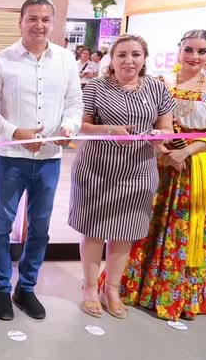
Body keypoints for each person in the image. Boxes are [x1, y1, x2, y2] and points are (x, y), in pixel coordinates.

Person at [0, 0, 82, 321]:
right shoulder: (1, 61)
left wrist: (68, 127)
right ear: (21, 21)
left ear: (53, 23)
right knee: (1, 226)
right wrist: (16, 133)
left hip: (50, 158)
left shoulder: (66, 60)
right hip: (12, 156)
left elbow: (74, 103)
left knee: (39, 227)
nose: (39, 25)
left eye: (45, 19)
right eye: (32, 18)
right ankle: (0, 289)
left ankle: (26, 287)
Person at [121, 30, 206, 321]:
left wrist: (185, 152)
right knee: (146, 223)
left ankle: (178, 296)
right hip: (158, 161)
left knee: (186, 227)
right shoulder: (159, 83)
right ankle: (138, 287)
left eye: (201, 51)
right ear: (179, 50)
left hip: (196, 168)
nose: (194, 57)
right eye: (189, 50)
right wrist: (166, 150)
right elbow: (147, 120)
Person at [70, 34, 175, 318]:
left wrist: (159, 138)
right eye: (122, 55)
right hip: (97, 168)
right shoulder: (95, 87)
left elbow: (167, 128)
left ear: (144, 59)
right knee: (93, 230)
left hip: (139, 170)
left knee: (126, 231)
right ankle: (90, 288)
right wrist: (109, 131)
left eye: (136, 55)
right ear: (111, 59)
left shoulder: (157, 88)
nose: (129, 60)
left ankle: (112, 289)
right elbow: (80, 126)